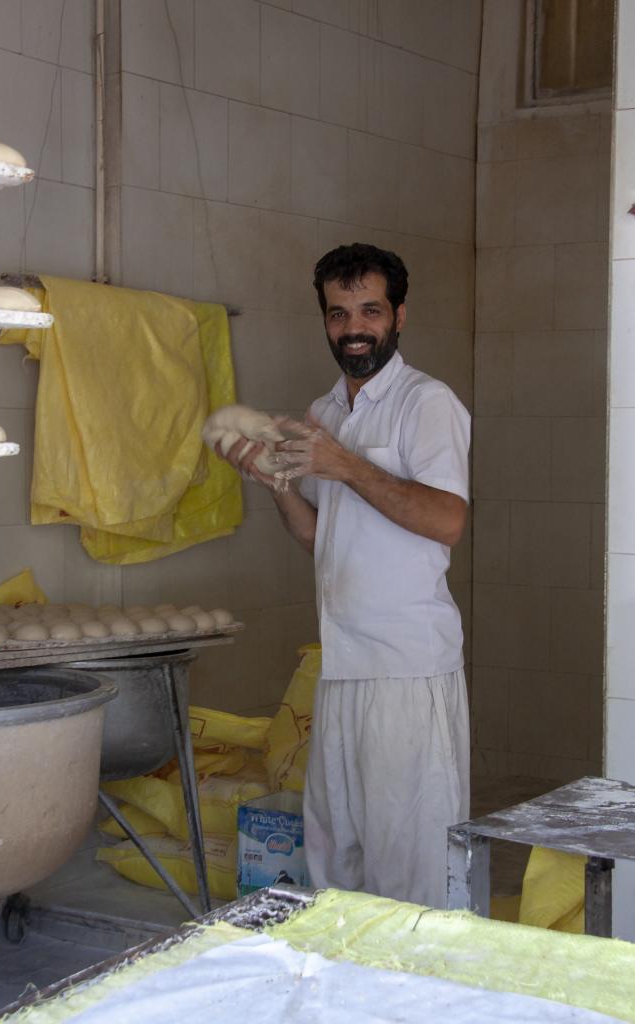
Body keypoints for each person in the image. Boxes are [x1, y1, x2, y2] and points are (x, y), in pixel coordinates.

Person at [219, 242, 470, 909]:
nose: (353, 327)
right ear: (325, 321)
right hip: (342, 667)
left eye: (369, 310)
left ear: (398, 316)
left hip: (406, 670)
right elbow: (318, 538)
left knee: (411, 864)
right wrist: (276, 482)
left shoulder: (426, 403)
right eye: (338, 313)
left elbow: (447, 521)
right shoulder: (323, 414)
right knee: (337, 856)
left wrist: (347, 465)